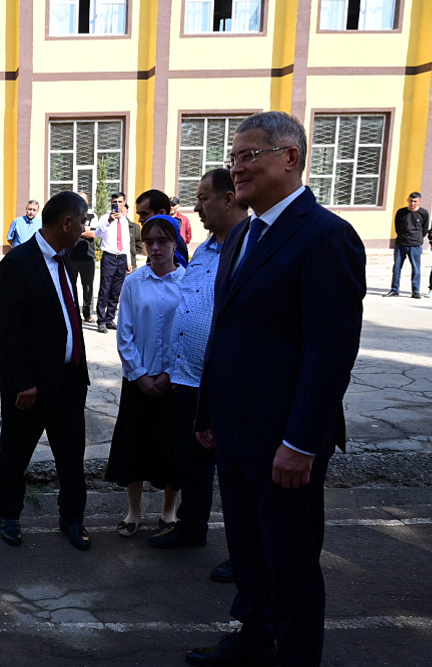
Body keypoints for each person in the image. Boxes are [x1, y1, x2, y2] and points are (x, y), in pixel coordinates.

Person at [185, 111, 366, 667]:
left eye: (249, 156)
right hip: (236, 432)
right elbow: (228, 329)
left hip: (284, 442)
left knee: (289, 559)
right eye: (233, 157)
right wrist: (208, 411)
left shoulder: (326, 236)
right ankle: (254, 634)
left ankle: (296, 655)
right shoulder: (242, 234)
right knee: (247, 549)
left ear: (290, 157)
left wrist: (302, 442)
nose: (236, 168)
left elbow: (329, 354)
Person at [148, 170, 246, 574]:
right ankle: (192, 527)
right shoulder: (204, 252)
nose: (196, 207)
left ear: (227, 199)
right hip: (188, 378)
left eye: (203, 198)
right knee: (191, 461)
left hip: (229, 382)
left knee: (237, 472)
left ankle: (245, 558)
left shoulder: (250, 248)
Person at [0, 191, 91, 550]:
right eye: (82, 221)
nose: (84, 228)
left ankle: (72, 518)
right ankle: (10, 515)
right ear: (66, 223)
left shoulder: (68, 259)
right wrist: (23, 383)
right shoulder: (16, 264)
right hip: (29, 386)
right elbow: (7, 331)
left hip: (69, 379)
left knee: (72, 454)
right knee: (16, 452)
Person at [106, 216, 185, 538]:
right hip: (138, 381)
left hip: (176, 382)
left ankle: (169, 511)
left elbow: (189, 334)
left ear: (175, 243)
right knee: (135, 447)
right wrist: (139, 374)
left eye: (163, 241)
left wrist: (170, 374)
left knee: (171, 448)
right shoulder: (134, 282)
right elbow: (124, 332)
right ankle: (133, 512)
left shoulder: (188, 281)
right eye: (149, 241)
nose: (155, 248)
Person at [93, 192, 132, 334]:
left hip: (121, 258)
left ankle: (110, 319)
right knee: (105, 289)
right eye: (115, 202)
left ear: (124, 202)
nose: (117, 204)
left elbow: (126, 242)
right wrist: (109, 221)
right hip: (109, 257)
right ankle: (101, 321)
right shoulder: (105, 218)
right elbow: (97, 234)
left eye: (120, 202)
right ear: (111, 203)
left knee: (116, 290)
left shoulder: (125, 220)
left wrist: (128, 260)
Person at [385, 191, 429, 299]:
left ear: (419, 201)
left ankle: (415, 291)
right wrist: (402, 237)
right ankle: (394, 289)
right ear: (407, 200)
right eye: (410, 201)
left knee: (416, 268)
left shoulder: (424, 213)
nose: (412, 203)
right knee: (397, 267)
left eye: (415, 201)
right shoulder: (401, 212)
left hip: (415, 244)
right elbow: (397, 227)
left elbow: (424, 229)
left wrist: (417, 238)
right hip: (401, 243)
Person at [67, 191, 99, 323]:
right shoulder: (70, 215)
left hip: (88, 257)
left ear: (87, 201)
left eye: (83, 199)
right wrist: (84, 231)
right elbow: (68, 231)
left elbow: (94, 234)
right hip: (71, 256)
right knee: (70, 286)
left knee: (88, 288)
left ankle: (87, 313)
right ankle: (71, 312)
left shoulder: (92, 216)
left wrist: (77, 231)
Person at [137, 189, 189, 268]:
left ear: (161, 213)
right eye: (149, 243)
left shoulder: (174, 243)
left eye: (145, 214)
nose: (140, 219)